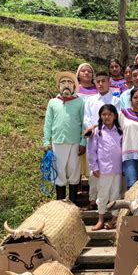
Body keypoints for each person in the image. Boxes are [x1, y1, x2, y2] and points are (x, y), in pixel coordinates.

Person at [43, 72, 86, 203]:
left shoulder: (79, 102)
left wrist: (83, 141)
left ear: (74, 87)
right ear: (58, 87)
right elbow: (48, 123)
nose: (66, 86)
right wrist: (46, 141)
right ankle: (60, 203)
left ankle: (73, 203)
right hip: (57, 142)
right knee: (59, 171)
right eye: (63, 83)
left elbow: (84, 122)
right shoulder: (53, 102)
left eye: (69, 83)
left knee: (74, 171)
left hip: (75, 142)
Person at [83, 71, 119, 210]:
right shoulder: (91, 101)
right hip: (95, 137)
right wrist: (92, 128)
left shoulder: (116, 100)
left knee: (112, 175)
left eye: (103, 81)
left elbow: (119, 118)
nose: (100, 84)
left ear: (109, 82)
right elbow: (86, 118)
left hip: (112, 137)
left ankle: (111, 202)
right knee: (94, 171)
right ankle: (93, 199)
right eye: (98, 81)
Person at [87, 104, 123, 231]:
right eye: (104, 114)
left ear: (115, 116)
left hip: (117, 169)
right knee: (102, 195)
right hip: (103, 169)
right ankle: (100, 219)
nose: (106, 117)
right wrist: (94, 166)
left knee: (115, 195)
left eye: (109, 114)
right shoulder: (97, 131)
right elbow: (92, 151)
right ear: (100, 116)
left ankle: (113, 219)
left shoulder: (120, 131)